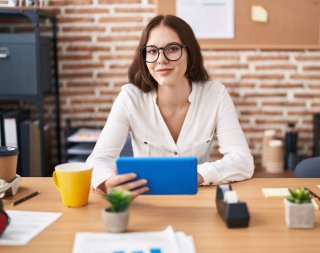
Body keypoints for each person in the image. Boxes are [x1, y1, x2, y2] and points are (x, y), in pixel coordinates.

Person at [86, 15, 254, 197]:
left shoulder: (215, 94)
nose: (161, 59)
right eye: (152, 51)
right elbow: (98, 159)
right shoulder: (129, 97)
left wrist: (193, 176)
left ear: (190, 53)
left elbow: (243, 161)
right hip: (146, 202)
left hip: (197, 201)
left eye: (172, 49)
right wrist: (107, 183)